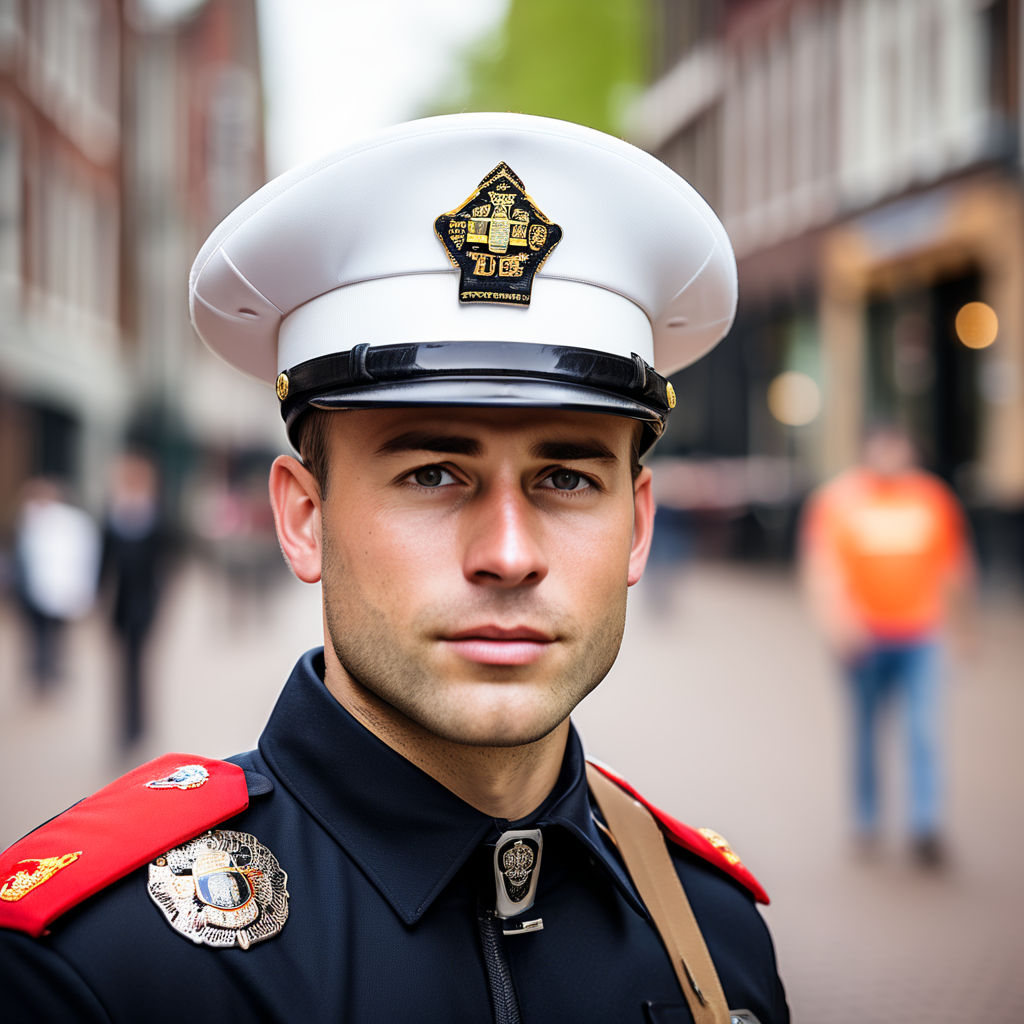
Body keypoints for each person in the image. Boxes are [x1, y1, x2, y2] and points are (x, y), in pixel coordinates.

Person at [0, 113, 788, 1023]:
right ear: (303, 518)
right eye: (433, 474)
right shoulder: (102, 971)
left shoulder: (709, 931)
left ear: (638, 527)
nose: (508, 554)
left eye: (567, 477)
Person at [800, 424, 975, 867]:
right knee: (865, 731)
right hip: (865, 638)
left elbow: (955, 567)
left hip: (922, 634)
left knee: (924, 730)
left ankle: (925, 824)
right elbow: (822, 566)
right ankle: (866, 819)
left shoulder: (933, 499)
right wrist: (838, 623)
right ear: (866, 452)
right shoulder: (838, 501)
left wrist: (962, 628)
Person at [101, 450, 168, 749]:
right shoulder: (113, 518)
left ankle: (138, 724)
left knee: (139, 665)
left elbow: (163, 566)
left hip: (144, 604)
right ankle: (124, 726)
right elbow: (103, 565)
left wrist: (158, 602)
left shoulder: (153, 518)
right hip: (120, 605)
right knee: (122, 666)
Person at [12, 477, 101, 694]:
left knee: (56, 635)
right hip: (30, 590)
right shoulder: (26, 518)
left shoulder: (68, 523)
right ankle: (40, 671)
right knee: (36, 634)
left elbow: (78, 557)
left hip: (58, 591)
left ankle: (51, 670)